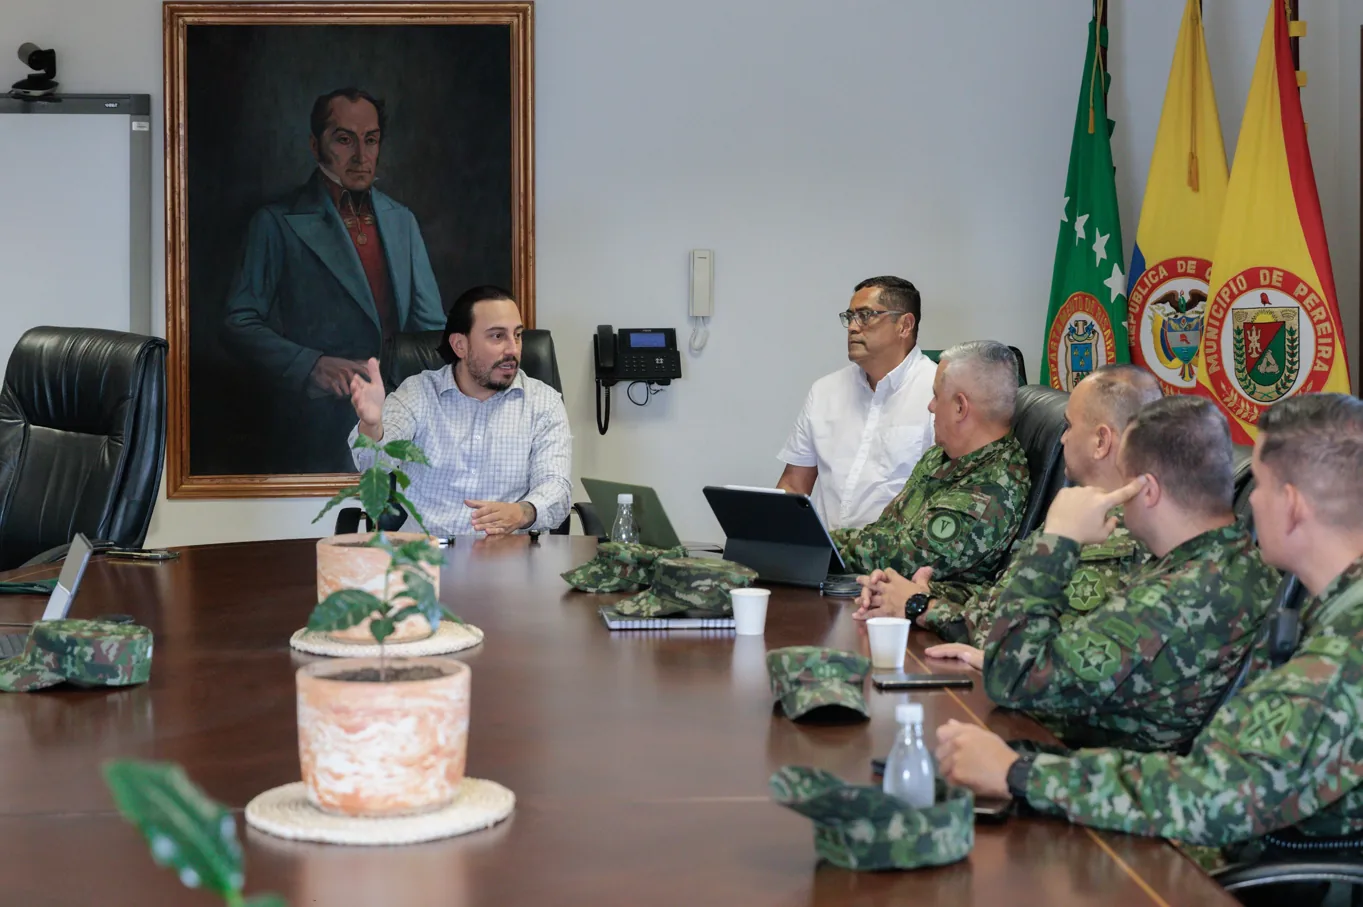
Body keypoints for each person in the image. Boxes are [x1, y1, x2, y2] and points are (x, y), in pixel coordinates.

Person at [937, 394, 1363, 854]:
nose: (1250, 503)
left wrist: (1017, 773)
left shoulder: (1347, 643)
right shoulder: (1329, 604)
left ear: (1293, 505)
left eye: (1257, 485)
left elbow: (1216, 793)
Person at [858, 364, 1162, 649]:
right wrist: (918, 591)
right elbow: (1004, 596)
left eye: (1069, 426)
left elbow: (1018, 638)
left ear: (1101, 441)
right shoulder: (1084, 510)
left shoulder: (1116, 533)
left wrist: (921, 606)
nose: (1064, 438)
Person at [224, 87, 447, 473]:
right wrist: (311, 365)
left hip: (401, 422)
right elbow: (237, 323)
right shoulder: (276, 222)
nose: (361, 156)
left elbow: (431, 332)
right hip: (315, 428)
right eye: (344, 139)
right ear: (315, 145)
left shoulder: (401, 220)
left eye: (371, 140)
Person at [348, 285, 571, 537]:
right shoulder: (418, 393)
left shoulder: (544, 403)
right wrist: (372, 426)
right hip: (424, 556)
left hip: (506, 560)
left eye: (517, 335)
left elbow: (557, 487)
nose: (513, 349)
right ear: (460, 345)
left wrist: (523, 512)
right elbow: (372, 464)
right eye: (497, 336)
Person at [831, 341, 1029, 608]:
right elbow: (885, 530)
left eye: (937, 396)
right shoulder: (943, 455)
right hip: (877, 592)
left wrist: (821, 543)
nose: (931, 406)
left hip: (921, 626)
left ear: (960, 407)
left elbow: (903, 557)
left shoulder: (992, 490)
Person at [776, 276, 937, 531]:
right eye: (850, 317)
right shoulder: (824, 391)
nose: (852, 327)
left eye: (866, 316)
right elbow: (794, 486)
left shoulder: (939, 392)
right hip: (827, 558)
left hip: (895, 561)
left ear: (905, 325)